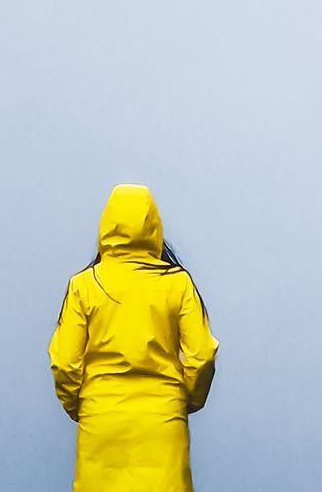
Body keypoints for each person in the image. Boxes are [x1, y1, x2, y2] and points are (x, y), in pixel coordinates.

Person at [48, 185, 218, 492]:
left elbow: (63, 362)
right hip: (162, 421)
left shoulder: (84, 286)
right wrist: (184, 400)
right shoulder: (178, 283)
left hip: (102, 421)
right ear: (154, 227)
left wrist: (82, 405)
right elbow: (202, 355)